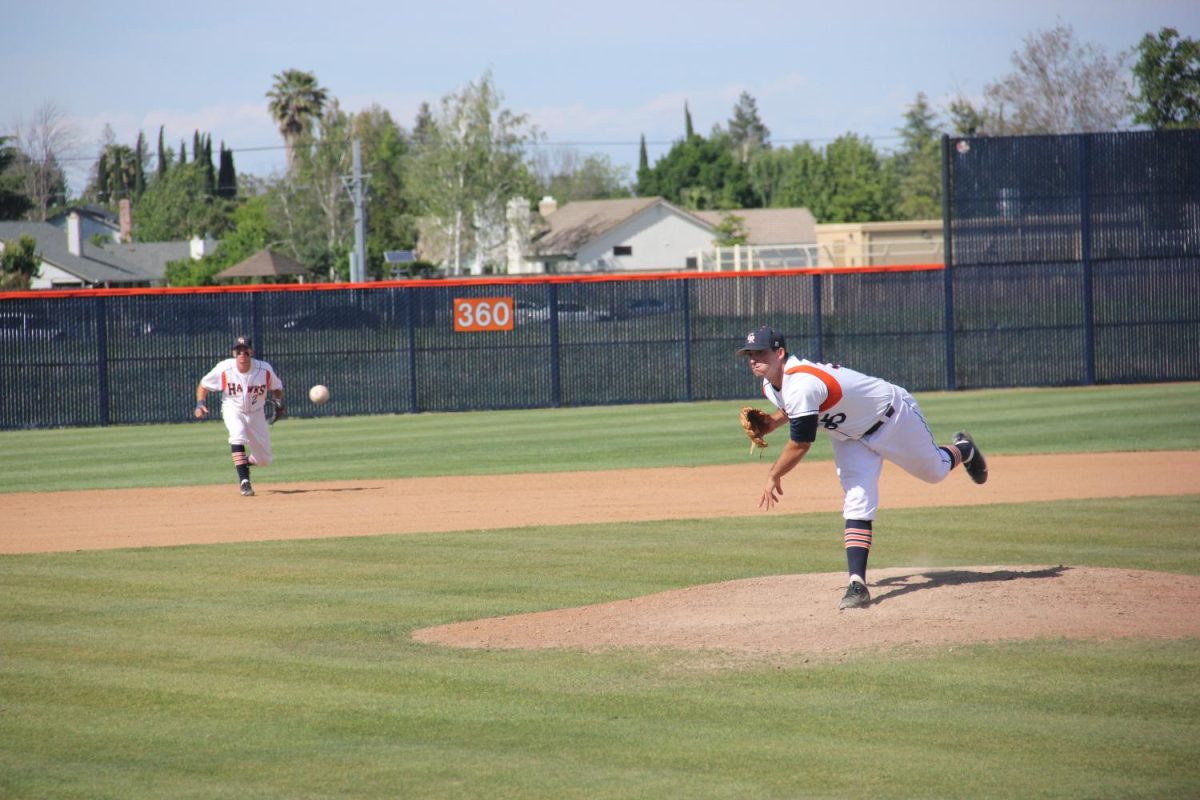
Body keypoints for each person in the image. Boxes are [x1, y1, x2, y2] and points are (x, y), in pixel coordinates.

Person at [737, 325, 987, 610]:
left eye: (760, 352)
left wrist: (773, 475)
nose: (753, 358)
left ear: (779, 353)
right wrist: (771, 423)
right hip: (849, 437)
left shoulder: (802, 382)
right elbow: (794, 407)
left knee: (935, 471)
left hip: (891, 417)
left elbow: (801, 442)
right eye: (749, 353)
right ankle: (857, 583)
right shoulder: (772, 385)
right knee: (857, 499)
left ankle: (964, 450)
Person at [194, 336, 285, 497]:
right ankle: (244, 482)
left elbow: (277, 387)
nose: (242, 353)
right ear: (234, 353)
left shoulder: (264, 369)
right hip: (233, 409)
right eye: (239, 351)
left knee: (264, 460)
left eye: (245, 350)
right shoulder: (224, 368)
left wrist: (278, 402)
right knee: (237, 435)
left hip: (257, 413)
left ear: (252, 352)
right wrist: (200, 404)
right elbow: (204, 384)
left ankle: (244, 463)